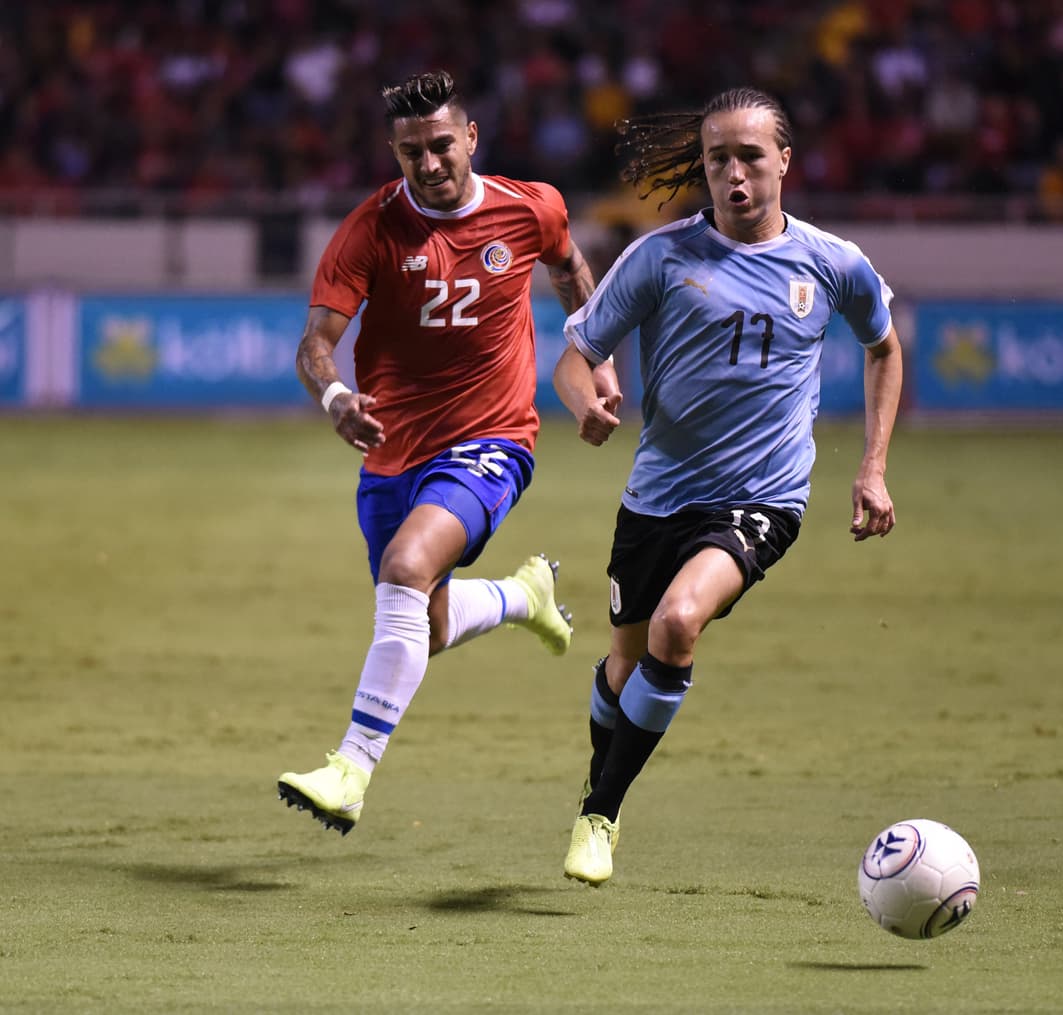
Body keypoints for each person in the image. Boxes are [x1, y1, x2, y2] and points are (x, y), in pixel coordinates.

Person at [552, 87, 903, 885]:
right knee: (620, 669)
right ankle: (602, 783)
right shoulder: (660, 257)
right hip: (655, 497)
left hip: (762, 499)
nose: (734, 174)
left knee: (679, 624)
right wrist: (589, 403)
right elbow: (575, 357)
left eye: (750, 156)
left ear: (785, 160)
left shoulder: (832, 262)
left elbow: (885, 347)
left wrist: (872, 466)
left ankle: (600, 814)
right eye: (718, 160)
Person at [278, 70, 620, 835]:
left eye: (440, 146)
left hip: (493, 438)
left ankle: (350, 769)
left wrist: (595, 359)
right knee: (421, 628)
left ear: (470, 138)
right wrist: (337, 399)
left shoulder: (532, 207)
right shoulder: (369, 229)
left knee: (404, 569)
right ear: (394, 153)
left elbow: (568, 269)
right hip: (391, 452)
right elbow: (315, 344)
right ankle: (522, 596)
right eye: (410, 153)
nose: (428, 166)